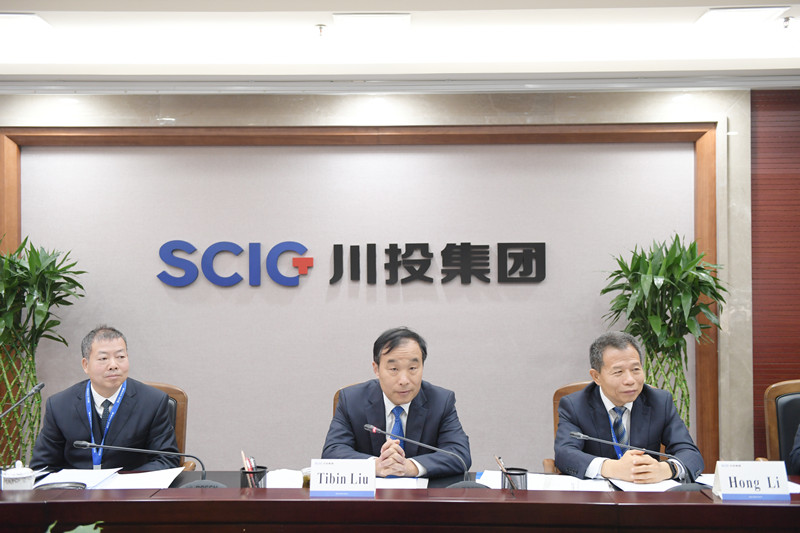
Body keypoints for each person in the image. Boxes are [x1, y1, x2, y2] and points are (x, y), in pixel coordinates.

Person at [554, 331, 704, 483]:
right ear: (596, 377)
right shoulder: (575, 406)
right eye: (618, 372)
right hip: (596, 495)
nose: (630, 380)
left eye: (635, 369)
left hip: (646, 492)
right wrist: (612, 468)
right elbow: (564, 454)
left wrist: (667, 469)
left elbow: (690, 453)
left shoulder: (660, 402)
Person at [322, 327, 471, 478]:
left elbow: (459, 453)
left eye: (412, 368)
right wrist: (375, 465)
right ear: (376, 369)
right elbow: (332, 452)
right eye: (394, 369)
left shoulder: (441, 401)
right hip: (369, 492)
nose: (404, 380)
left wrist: (411, 467)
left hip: (423, 492)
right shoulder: (352, 400)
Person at [31, 325, 179, 471]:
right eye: (103, 358)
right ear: (85, 365)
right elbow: (42, 466)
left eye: (120, 357)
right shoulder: (59, 405)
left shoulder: (153, 402)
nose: (113, 365)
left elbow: (167, 459)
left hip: (129, 485)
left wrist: (124, 481)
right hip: (78, 486)